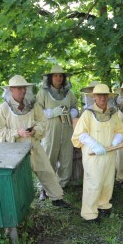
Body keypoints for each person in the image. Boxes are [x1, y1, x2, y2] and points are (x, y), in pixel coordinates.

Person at [0, 75, 70, 208]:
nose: (22, 91)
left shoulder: (32, 105)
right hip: (14, 150)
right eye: (18, 88)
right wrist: (17, 133)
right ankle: (21, 205)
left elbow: (43, 122)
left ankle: (57, 198)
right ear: (11, 90)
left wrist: (35, 131)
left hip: (33, 145)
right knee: (19, 178)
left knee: (46, 170)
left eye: (24, 87)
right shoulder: (3, 109)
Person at [71, 84, 123, 223]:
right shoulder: (87, 114)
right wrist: (94, 145)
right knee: (93, 183)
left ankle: (104, 205)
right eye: (99, 95)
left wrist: (116, 140)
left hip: (109, 153)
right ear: (94, 97)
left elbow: (120, 130)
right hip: (93, 155)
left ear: (108, 96)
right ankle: (89, 213)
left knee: (107, 181)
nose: (102, 98)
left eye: (104, 95)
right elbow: (80, 134)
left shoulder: (112, 113)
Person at [36, 65, 79, 201]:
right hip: (50, 132)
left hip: (67, 130)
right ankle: (44, 189)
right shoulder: (43, 93)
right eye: (55, 75)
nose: (58, 78)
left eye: (60, 76)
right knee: (48, 160)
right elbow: (36, 111)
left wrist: (72, 113)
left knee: (66, 160)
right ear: (50, 78)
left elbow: (75, 106)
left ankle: (60, 187)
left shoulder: (69, 93)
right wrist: (51, 113)